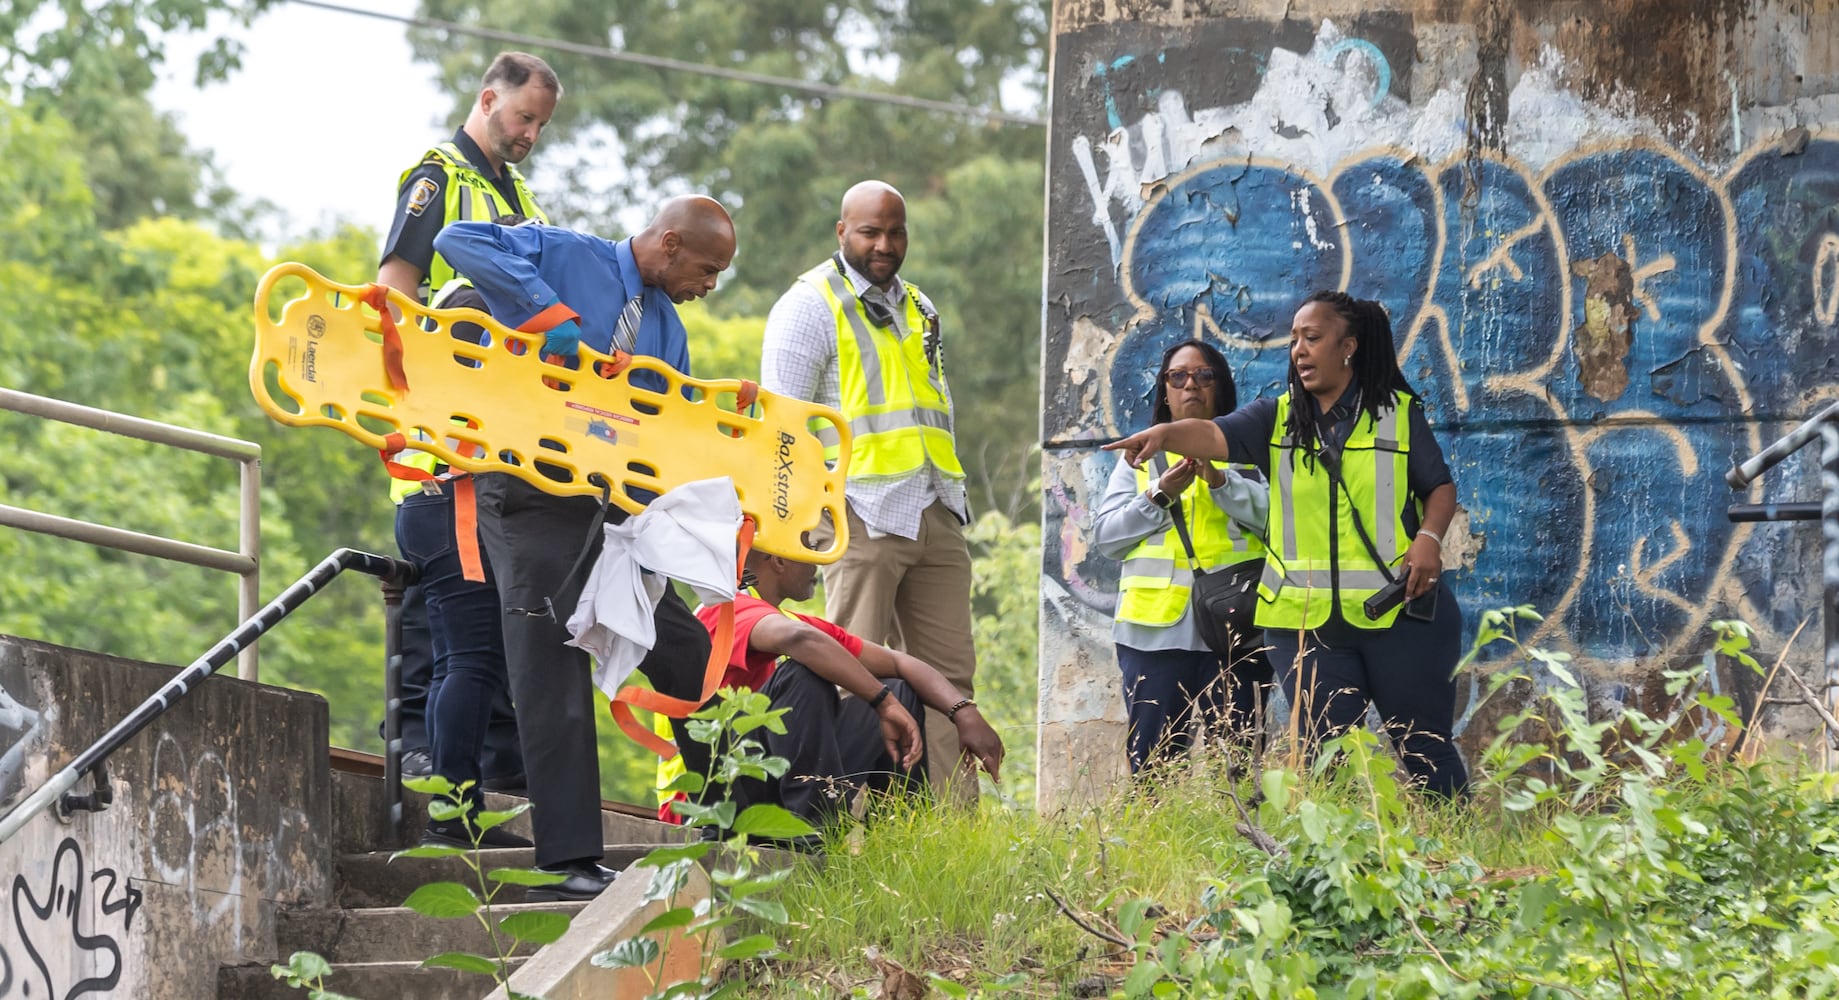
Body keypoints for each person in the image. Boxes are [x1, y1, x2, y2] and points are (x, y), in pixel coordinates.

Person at [432, 197, 737, 900]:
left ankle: (734, 818)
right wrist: (547, 315)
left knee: (686, 650)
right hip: (527, 492)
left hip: (612, 511)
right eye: (707, 267)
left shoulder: (666, 328)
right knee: (551, 662)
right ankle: (565, 860)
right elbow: (457, 238)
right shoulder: (565, 254)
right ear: (667, 245)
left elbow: (671, 432)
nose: (710, 284)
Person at [1104, 292, 1468, 797]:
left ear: (1349, 347)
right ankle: (1331, 868)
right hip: (1305, 623)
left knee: (1425, 748)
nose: (1297, 349)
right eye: (1294, 339)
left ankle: (1456, 853)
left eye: (1311, 338)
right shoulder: (1273, 419)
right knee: (1323, 762)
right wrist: (1164, 434)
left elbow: (1439, 486)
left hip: (1395, 614)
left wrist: (1429, 538)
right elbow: (1210, 435)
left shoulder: (1396, 414)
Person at [376, 51, 561, 785]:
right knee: (439, 618)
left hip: (504, 435)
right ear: (488, 100)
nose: (530, 136)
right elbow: (393, 292)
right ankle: (424, 760)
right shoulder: (437, 178)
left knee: (484, 631)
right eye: (523, 119)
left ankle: (490, 767)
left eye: (541, 125)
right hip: (442, 431)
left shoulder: (524, 199)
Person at [759, 180, 979, 800]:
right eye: (870, 232)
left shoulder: (919, 304)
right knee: (850, 674)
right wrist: (798, 525)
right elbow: (783, 426)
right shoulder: (808, 304)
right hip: (858, 515)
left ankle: (950, 832)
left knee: (952, 680)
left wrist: (950, 504)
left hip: (934, 509)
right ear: (841, 232)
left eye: (896, 232)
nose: (885, 245)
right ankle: (846, 824)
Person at [673, 548, 1005, 833]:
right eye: (808, 549)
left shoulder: (786, 619)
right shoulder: (725, 608)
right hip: (719, 798)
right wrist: (881, 702)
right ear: (777, 560)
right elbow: (800, 641)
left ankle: (899, 833)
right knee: (805, 671)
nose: (819, 563)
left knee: (900, 689)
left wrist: (963, 712)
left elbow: (898, 663)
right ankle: (813, 830)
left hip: (773, 781)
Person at [1091, 340, 1272, 774]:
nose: (1191, 384)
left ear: (1220, 387)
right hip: (1153, 636)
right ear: (1166, 391)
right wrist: (1159, 496)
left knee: (1240, 772)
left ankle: (1245, 842)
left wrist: (1220, 482)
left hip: (1236, 632)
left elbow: (1279, 525)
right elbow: (1107, 538)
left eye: (1204, 375)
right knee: (1152, 770)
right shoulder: (1140, 459)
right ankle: (1153, 843)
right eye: (1178, 376)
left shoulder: (1250, 456)